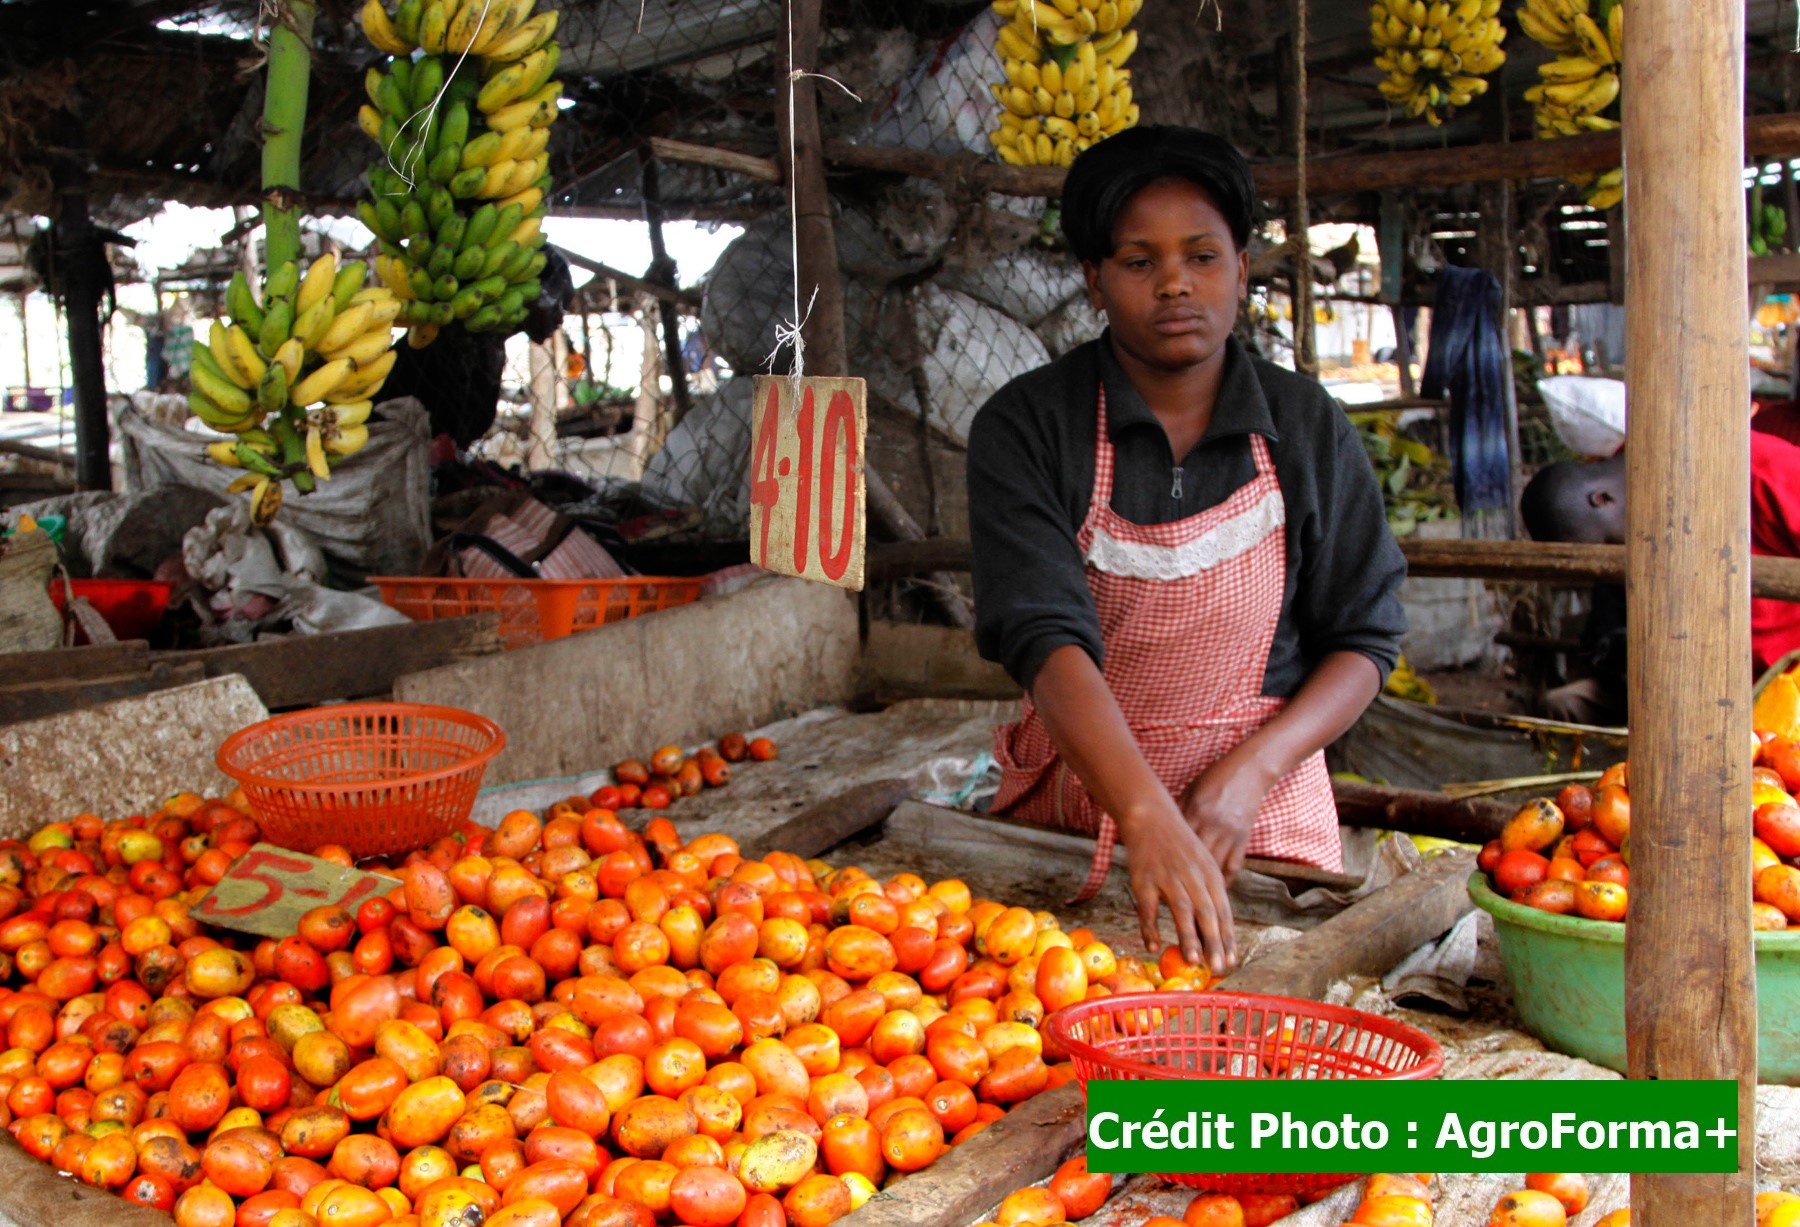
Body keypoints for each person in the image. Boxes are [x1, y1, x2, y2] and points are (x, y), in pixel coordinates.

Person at [965, 127, 1408, 976]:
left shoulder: (1305, 425)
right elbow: (1042, 635)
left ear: (1241, 267)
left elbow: (1365, 639)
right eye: (1139, 262)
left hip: (1262, 813)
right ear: (1094, 280)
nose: (1175, 282)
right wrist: (1142, 812)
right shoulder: (1028, 425)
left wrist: (1249, 776)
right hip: (1081, 803)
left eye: (1202, 256)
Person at [1521, 431, 1800, 715]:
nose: (1611, 561)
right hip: (1678, 681)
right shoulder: (1631, 499)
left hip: (1776, 682)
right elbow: (1609, 617)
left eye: (1605, 545)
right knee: (1563, 704)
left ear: (1603, 499)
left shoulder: (1762, 472)